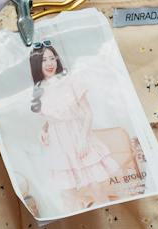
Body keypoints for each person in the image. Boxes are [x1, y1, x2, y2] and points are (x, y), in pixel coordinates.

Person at [27, 43, 129, 213]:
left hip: (78, 136)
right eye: (44, 60)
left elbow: (88, 113)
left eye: (52, 58)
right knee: (68, 195)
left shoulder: (70, 80)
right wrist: (43, 130)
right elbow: (51, 118)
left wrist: (83, 139)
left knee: (96, 188)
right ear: (37, 63)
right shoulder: (38, 91)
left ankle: (111, 217)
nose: (50, 63)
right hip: (58, 145)